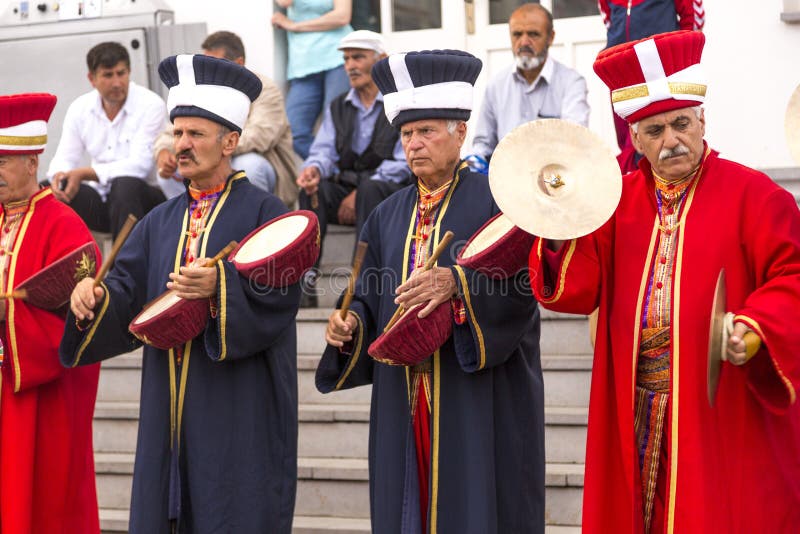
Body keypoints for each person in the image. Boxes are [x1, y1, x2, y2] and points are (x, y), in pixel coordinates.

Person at [529, 30, 800, 533]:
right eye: (654, 131)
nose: (671, 140)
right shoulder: (611, 202)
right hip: (634, 401)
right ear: (634, 138)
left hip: (718, 401)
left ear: (702, 120)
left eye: (681, 123)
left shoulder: (756, 195)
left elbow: (794, 275)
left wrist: (757, 328)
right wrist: (557, 220)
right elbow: (576, 288)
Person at [60, 55, 301, 533]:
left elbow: (282, 295)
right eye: (177, 133)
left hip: (238, 402)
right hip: (167, 401)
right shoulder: (159, 221)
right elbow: (126, 290)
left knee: (232, 508)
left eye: (195, 134)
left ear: (230, 142)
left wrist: (222, 287)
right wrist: (93, 296)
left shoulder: (266, 212)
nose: (182, 145)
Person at [316, 49, 544, 533]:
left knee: (476, 505)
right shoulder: (386, 214)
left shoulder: (496, 201)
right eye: (406, 134)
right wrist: (350, 320)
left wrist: (458, 284)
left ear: (460, 132)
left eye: (427, 132)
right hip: (404, 391)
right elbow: (367, 291)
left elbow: (523, 286)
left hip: (475, 391)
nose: (414, 144)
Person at [0, 93, 101, 533]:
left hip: (35, 395)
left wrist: (8, 319)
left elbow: (79, 320)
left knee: (37, 500)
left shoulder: (64, 225)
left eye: (4, 161)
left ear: (31, 162)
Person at [296, 29, 411, 306]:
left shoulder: (400, 103)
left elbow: (403, 162)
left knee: (370, 190)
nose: (350, 66)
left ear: (381, 59)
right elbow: (323, 151)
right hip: (351, 190)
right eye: (347, 59)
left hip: (388, 193)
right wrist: (313, 169)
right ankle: (304, 283)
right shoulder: (338, 107)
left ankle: (361, 283)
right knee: (313, 192)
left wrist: (359, 192)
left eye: (358, 57)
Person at [154, 31, 299, 206]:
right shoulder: (205, 88)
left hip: (255, 162)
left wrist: (212, 148)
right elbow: (174, 130)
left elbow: (259, 137)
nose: (207, 70)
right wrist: (163, 151)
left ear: (239, 63)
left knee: (249, 167)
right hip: (214, 154)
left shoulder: (265, 89)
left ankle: (255, 225)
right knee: (167, 173)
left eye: (215, 64)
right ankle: (194, 223)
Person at [46, 41, 167, 239]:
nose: (117, 83)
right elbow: (65, 157)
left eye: (121, 73)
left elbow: (140, 166)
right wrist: (59, 176)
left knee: (125, 185)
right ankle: (67, 266)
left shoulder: (151, 104)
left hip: (145, 201)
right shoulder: (80, 108)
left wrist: (84, 173)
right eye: (108, 75)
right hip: (103, 203)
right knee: (47, 191)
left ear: (129, 72)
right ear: (91, 79)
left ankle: (124, 269)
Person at [470, 3, 589, 162]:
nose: (524, 42)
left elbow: (574, 140)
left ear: (551, 37)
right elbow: (482, 146)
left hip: (554, 175)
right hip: (505, 177)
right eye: (517, 34)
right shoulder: (496, 85)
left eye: (533, 34)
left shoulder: (571, 83)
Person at [598, 0, 705, 173]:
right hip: (623, 71)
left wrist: (678, 60)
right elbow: (609, 21)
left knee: (666, 129)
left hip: (662, 69)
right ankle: (635, 182)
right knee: (629, 136)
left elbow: (693, 20)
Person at [271, 0, 353, 159]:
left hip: (336, 59)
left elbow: (342, 17)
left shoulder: (295, 26)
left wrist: (295, 26)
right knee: (294, 132)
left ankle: (334, 176)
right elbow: (284, 2)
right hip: (303, 65)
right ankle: (329, 174)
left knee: (336, 128)